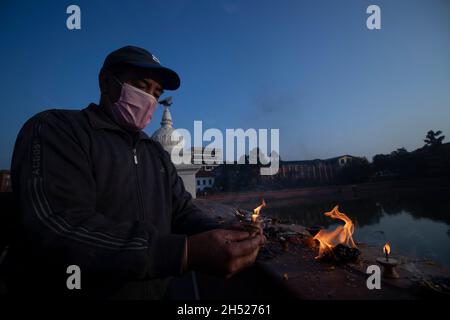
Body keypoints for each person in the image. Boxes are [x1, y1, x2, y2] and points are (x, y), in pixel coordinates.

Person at [4, 46, 265, 299]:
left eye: (156, 93)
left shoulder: (155, 153)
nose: (150, 100)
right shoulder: (58, 130)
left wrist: (227, 233)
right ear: (106, 82)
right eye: (141, 87)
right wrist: (182, 253)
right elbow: (60, 227)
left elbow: (182, 211)